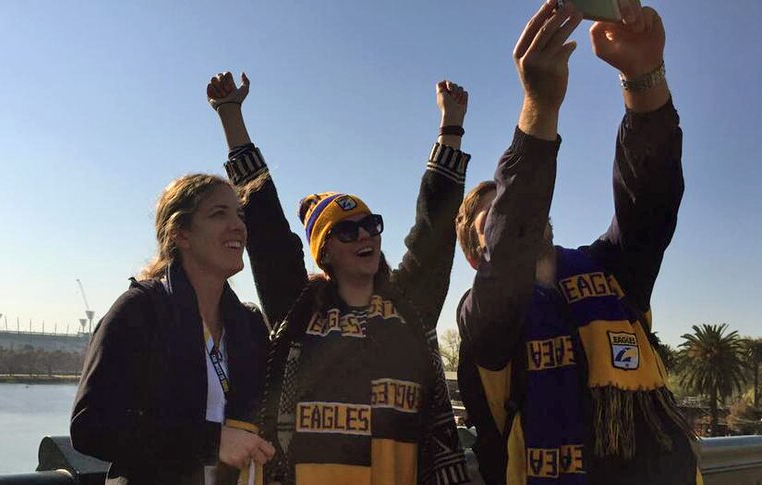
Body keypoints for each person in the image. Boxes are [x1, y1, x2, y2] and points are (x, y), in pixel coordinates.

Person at [454, 1, 698, 484]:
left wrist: (644, 76)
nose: (522, 212)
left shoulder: (609, 271)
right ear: (473, 252)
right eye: (492, 217)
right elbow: (513, 243)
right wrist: (540, 107)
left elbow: (649, 201)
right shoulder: (483, 317)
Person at [208, 71, 472, 485]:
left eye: (371, 224)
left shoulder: (407, 306)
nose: (365, 235)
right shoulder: (298, 307)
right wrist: (230, 116)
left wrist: (451, 128)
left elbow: (433, 234)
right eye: (347, 230)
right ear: (325, 251)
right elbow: (267, 229)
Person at [70, 173, 275, 484]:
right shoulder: (140, 311)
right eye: (219, 214)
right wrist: (211, 442)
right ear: (181, 234)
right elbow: (91, 428)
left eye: (239, 214)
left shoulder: (248, 325)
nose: (238, 226)